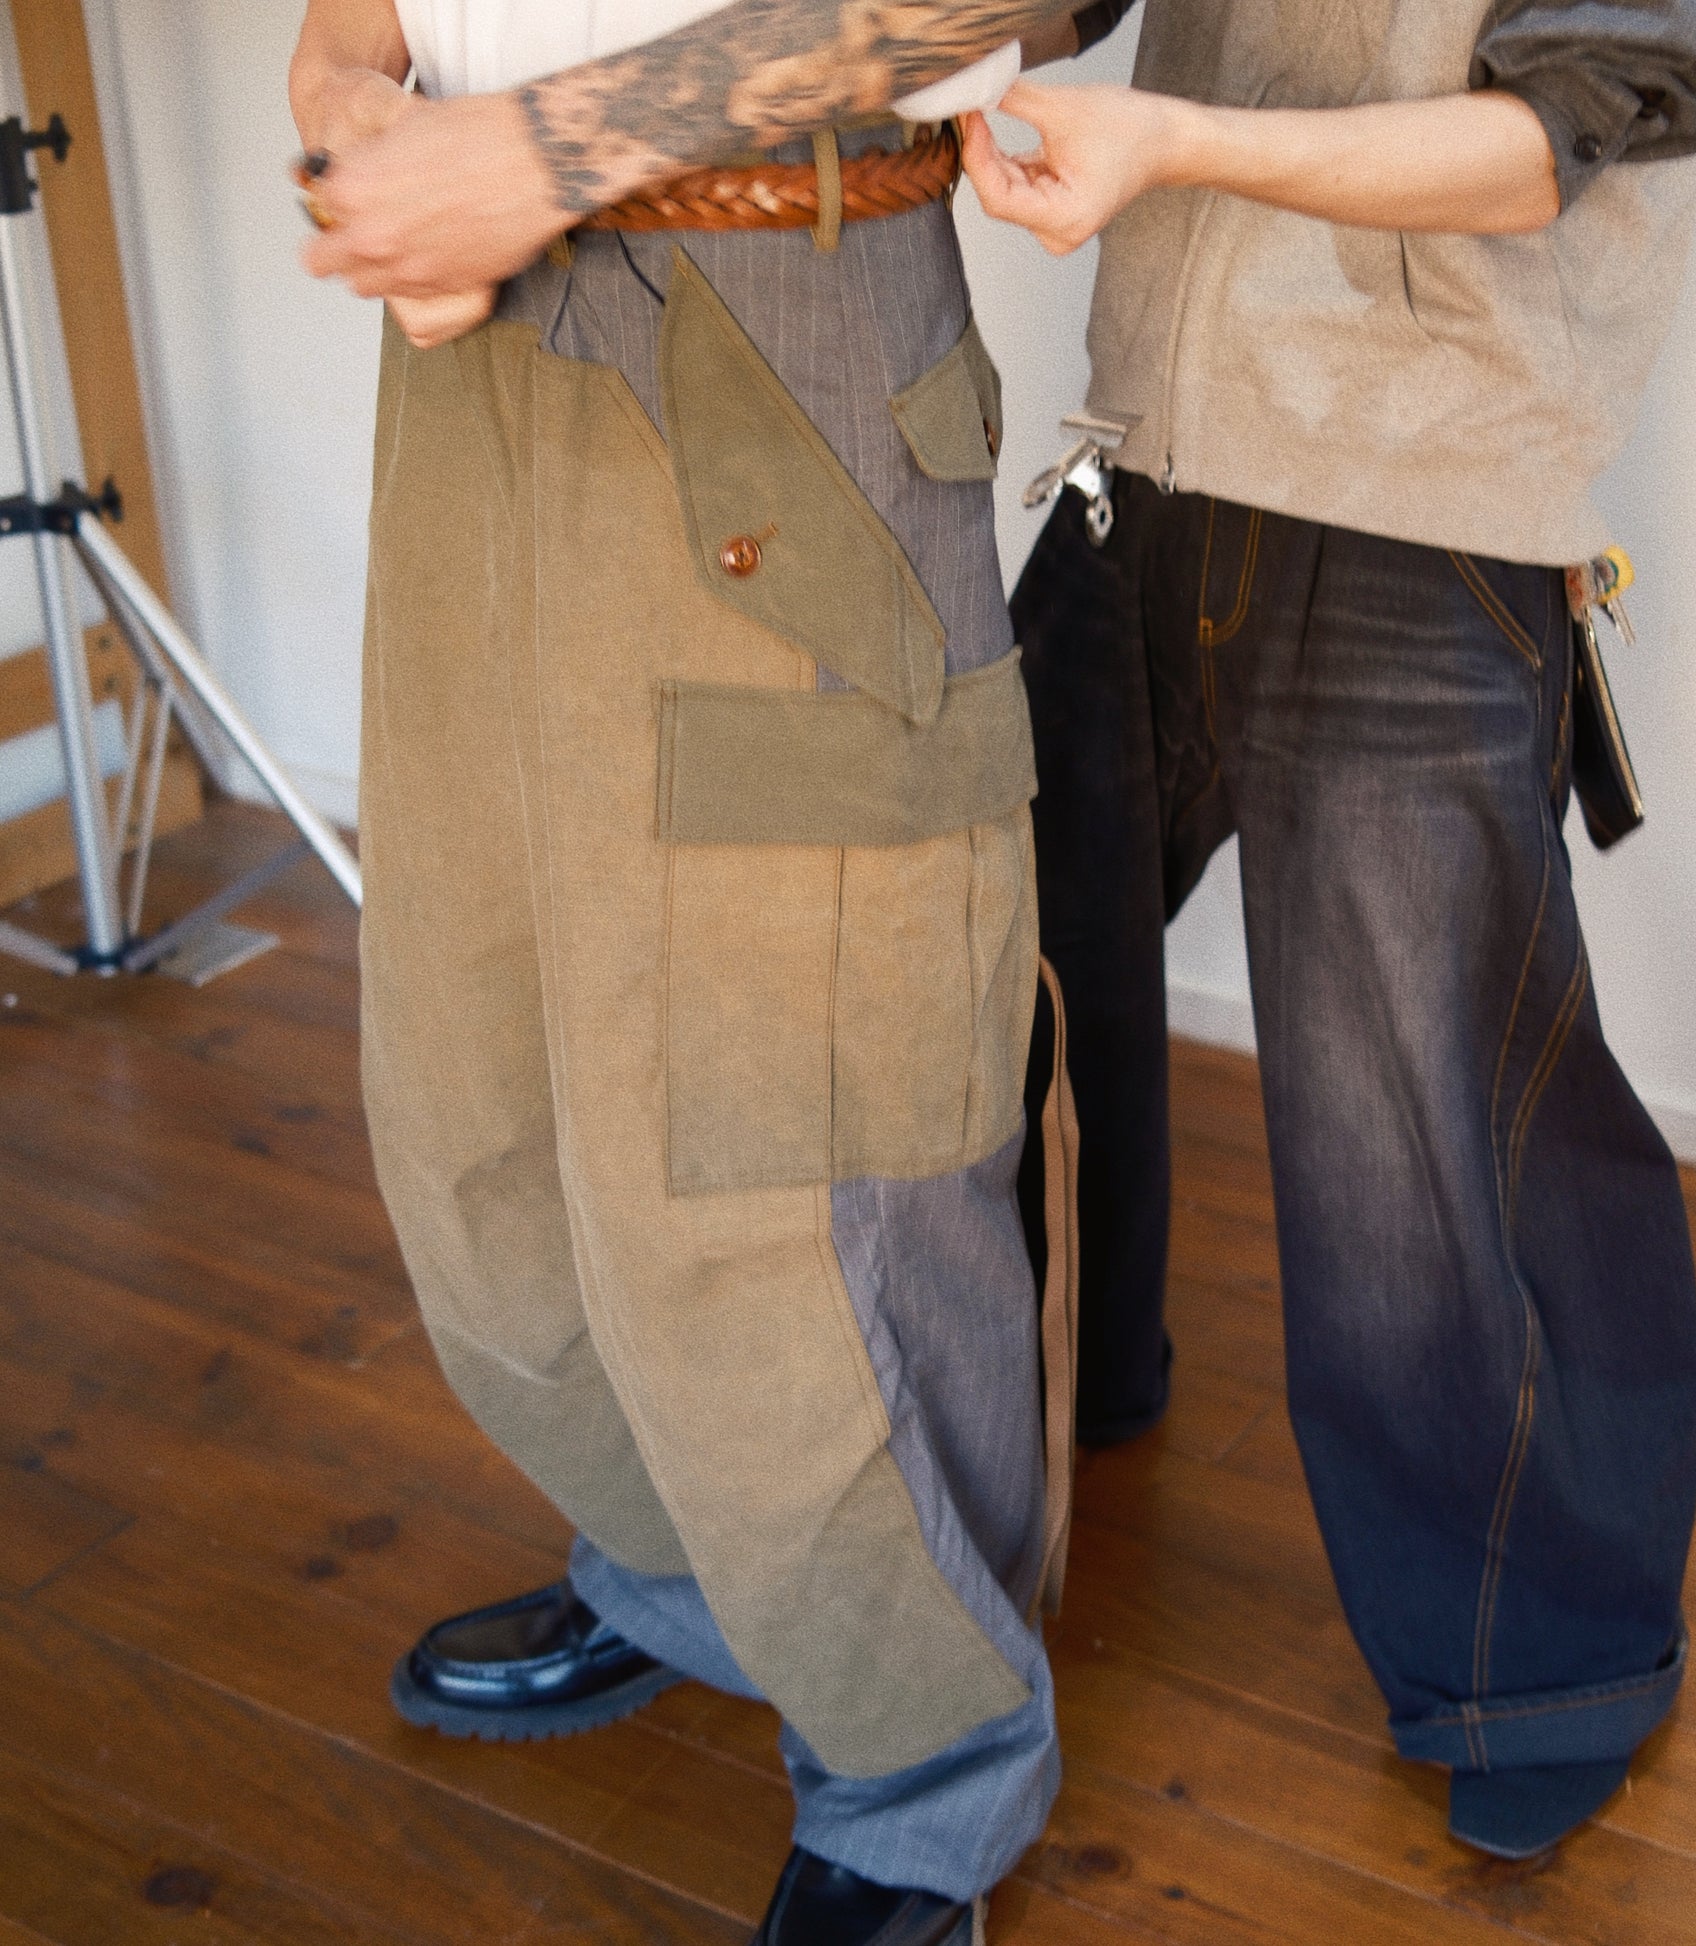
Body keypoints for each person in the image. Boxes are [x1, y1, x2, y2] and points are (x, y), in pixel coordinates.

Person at [290, 4, 1100, 1940]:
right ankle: (687, 1578)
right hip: (470, 356)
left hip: (781, 323)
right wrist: (343, 92)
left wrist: (549, 146)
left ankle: (924, 1768)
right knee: (481, 1086)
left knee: (789, 1144)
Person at [963, 0, 1696, 1861]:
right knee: (1001, 971)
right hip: (1144, 455)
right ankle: (1068, 1386)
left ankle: (1537, 1656)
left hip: (1417, 495)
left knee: (1415, 1133)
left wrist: (1168, 143)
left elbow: (1547, 134)